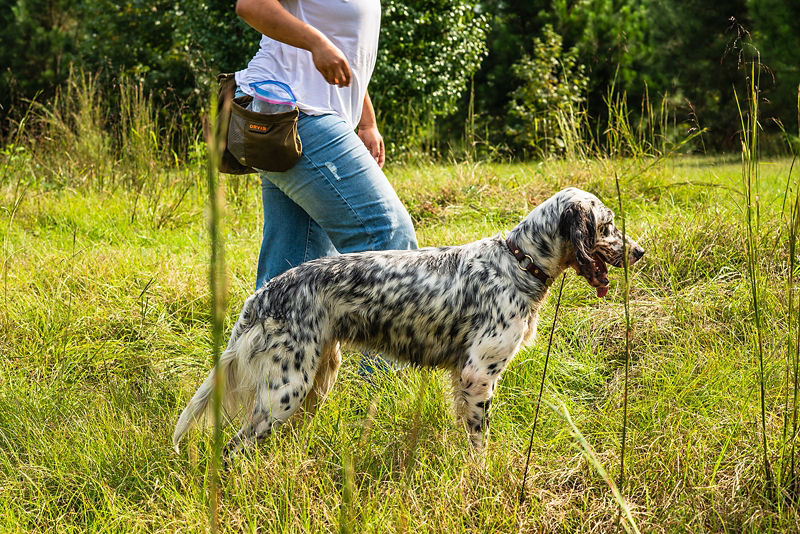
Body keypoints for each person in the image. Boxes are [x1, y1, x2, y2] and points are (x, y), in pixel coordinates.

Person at [234, 0, 418, 290]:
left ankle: (268, 335)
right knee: (387, 238)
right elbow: (252, 5)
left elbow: (344, 56)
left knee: (293, 273)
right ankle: (393, 336)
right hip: (291, 114)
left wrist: (366, 121)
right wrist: (316, 43)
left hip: (311, 114)